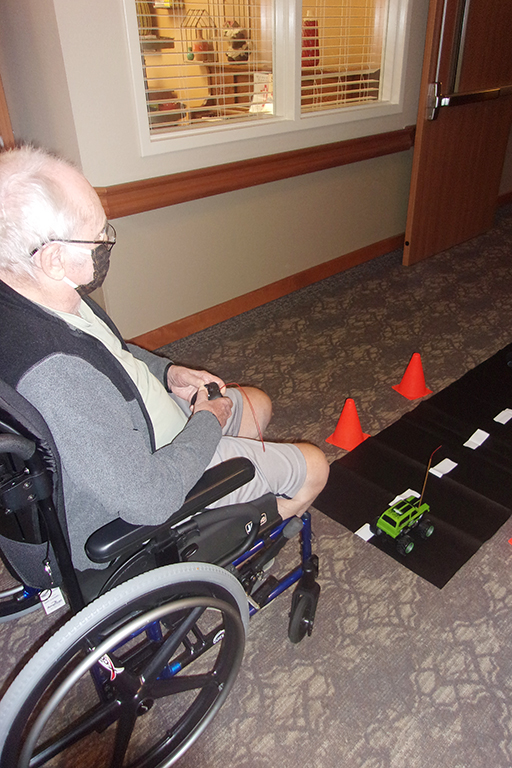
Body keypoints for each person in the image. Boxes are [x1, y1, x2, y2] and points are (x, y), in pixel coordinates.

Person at [0, 146, 329, 571]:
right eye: (97, 237)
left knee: (258, 405)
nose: (104, 244)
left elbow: (110, 352)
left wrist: (167, 372)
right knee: (316, 467)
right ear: (54, 258)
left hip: (139, 430)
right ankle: (243, 540)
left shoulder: (34, 293)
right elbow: (149, 498)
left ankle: (230, 502)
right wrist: (207, 420)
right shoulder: (56, 375)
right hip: (147, 486)